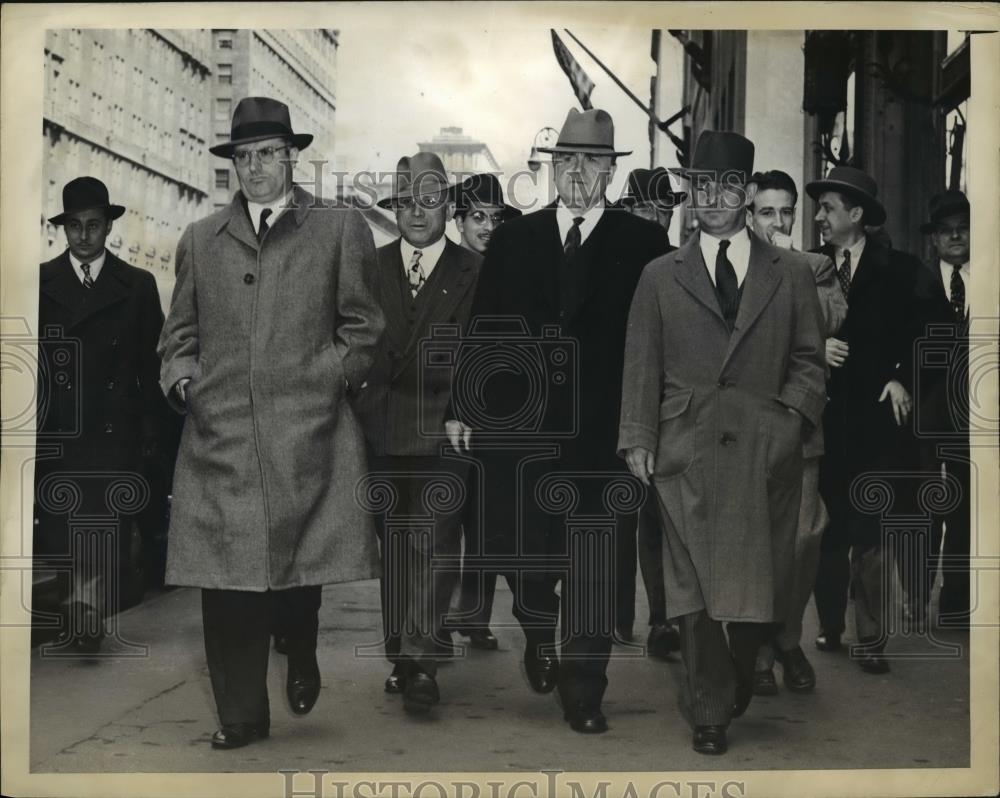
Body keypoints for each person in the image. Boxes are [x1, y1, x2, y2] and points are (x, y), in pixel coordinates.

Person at [157, 97, 384, 749]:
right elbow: (178, 334)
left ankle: (301, 648)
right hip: (219, 436)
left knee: (293, 567)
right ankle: (240, 716)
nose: (254, 168)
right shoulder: (201, 240)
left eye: (266, 154)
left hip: (307, 433)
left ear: (291, 156)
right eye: (242, 157)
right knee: (227, 582)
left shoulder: (338, 229)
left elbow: (364, 324)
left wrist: (332, 375)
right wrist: (182, 377)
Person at [446, 108, 669, 734]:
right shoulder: (519, 238)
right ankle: (539, 629)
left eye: (592, 161)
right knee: (529, 565)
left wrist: (650, 424)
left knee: (595, 565)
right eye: (566, 160)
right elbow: (483, 324)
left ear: (608, 171)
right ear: (551, 168)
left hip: (605, 437)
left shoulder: (645, 245)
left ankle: (584, 691)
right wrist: (463, 404)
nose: (578, 172)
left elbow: (661, 341)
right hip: (521, 434)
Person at [619, 131, 826, 755]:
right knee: (692, 586)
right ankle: (708, 706)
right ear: (690, 192)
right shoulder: (660, 275)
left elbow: (810, 361)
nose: (712, 197)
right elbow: (641, 366)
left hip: (768, 451)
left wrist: (790, 421)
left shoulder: (789, 273)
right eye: (700, 184)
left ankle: (741, 668)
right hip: (686, 449)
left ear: (747, 192)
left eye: (727, 185)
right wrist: (638, 438)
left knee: (763, 580)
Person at [355, 152, 482, 712]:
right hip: (381, 427)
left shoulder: (473, 270)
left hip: (445, 428)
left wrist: (464, 407)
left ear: (447, 208)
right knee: (399, 545)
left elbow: (486, 352)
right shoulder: (369, 266)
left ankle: (424, 661)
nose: (415, 213)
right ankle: (402, 655)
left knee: (437, 542)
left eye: (428, 203)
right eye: (405, 203)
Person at [34, 176, 166, 655]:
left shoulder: (137, 285)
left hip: (117, 431)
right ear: (63, 229)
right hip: (59, 432)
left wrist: (153, 431)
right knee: (64, 525)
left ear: (108, 226)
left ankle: (87, 606)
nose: (84, 236)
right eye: (74, 226)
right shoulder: (40, 283)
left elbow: (155, 365)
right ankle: (80, 604)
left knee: (107, 522)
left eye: (93, 225)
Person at [807, 166, 927, 673]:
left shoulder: (902, 270)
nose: (818, 216)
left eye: (828, 207)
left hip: (877, 426)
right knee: (826, 531)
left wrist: (905, 378)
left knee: (872, 530)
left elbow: (934, 336)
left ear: (856, 215)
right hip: (823, 422)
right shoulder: (806, 270)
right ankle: (830, 625)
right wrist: (816, 346)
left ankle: (871, 639)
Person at [744, 170, 846, 695]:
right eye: (768, 212)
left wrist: (791, 265)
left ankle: (786, 637)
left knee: (804, 539)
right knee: (756, 546)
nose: (779, 223)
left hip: (800, 430)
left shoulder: (815, 266)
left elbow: (831, 316)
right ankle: (762, 650)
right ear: (748, 213)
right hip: (742, 434)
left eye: (787, 213)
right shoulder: (727, 268)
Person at [446, 172, 519, 651]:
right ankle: (437, 619)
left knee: (488, 521)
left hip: (494, 416)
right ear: (458, 221)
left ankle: (474, 615)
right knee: (449, 522)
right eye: (477, 217)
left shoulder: (508, 274)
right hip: (446, 412)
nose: (487, 227)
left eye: (495, 218)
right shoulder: (449, 271)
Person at [619, 166, 688, 657]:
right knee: (617, 515)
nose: (655, 217)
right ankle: (617, 614)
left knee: (656, 518)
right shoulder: (612, 259)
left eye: (663, 209)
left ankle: (662, 617)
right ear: (630, 210)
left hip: (666, 406)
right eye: (646, 208)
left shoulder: (678, 264)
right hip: (615, 401)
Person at [916, 190, 971, 625]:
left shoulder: (989, 279)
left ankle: (955, 603)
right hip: (926, 412)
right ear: (933, 239)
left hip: (977, 416)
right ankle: (918, 599)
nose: (955, 236)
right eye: (945, 230)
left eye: (963, 227)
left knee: (967, 506)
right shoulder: (916, 281)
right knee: (924, 503)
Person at [452, 172, 521, 255]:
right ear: (460, 224)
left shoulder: (504, 265)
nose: (490, 227)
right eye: (479, 217)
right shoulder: (446, 266)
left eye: (496, 218)